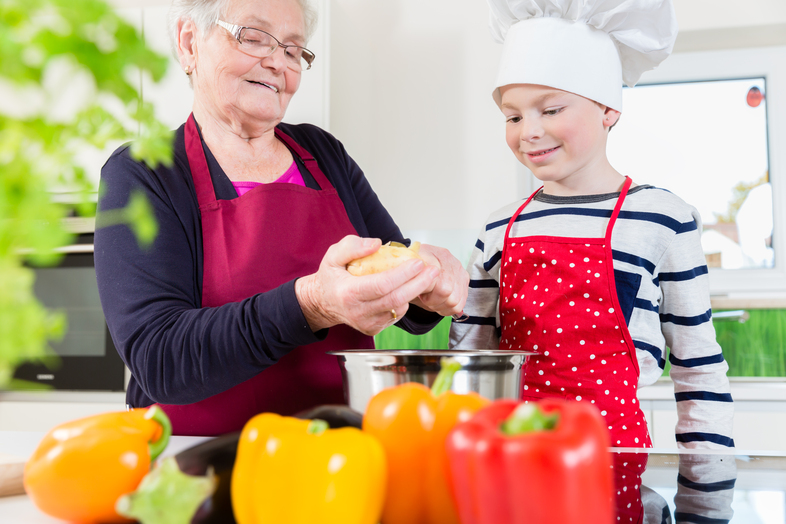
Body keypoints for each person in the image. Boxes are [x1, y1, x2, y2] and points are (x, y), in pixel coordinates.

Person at [94, 0, 469, 436]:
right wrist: (310, 304)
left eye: (293, 50)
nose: (276, 63)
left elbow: (397, 287)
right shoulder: (144, 174)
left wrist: (428, 285)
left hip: (340, 454)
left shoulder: (324, 155)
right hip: (199, 464)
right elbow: (160, 360)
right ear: (189, 41)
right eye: (253, 37)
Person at [450, 0, 734, 451]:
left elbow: (697, 367)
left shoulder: (663, 218)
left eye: (551, 109)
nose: (529, 132)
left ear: (608, 109)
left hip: (615, 458)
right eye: (514, 115)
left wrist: (707, 488)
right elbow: (470, 360)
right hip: (510, 458)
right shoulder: (500, 225)